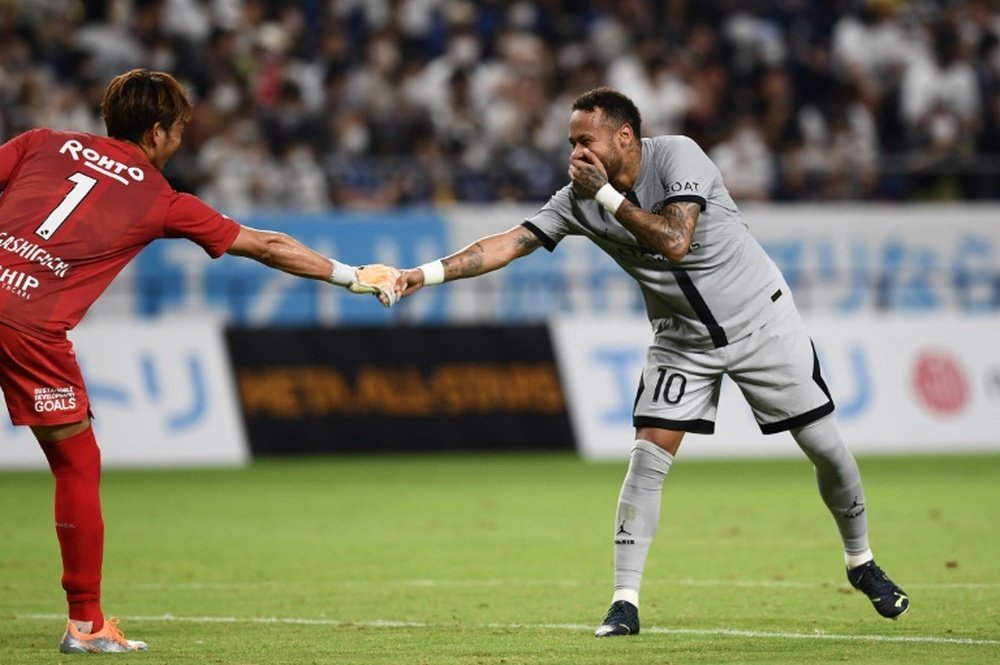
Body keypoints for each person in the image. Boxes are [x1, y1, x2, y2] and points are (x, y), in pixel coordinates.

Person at [393, 87, 909, 637]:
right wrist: (421, 275)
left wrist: (610, 201)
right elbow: (509, 243)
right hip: (681, 338)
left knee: (826, 450)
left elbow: (675, 240)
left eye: (585, 140)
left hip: (762, 321)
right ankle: (624, 601)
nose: (575, 154)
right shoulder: (577, 198)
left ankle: (860, 561)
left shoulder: (678, 155)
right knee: (646, 459)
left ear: (624, 137)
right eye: (571, 143)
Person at [0, 69, 400, 654]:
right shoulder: (158, 197)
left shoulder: (38, 142)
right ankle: (86, 624)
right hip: (28, 325)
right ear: (158, 132)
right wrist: (352, 276)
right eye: (181, 131)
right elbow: (265, 244)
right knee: (75, 462)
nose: (181, 142)